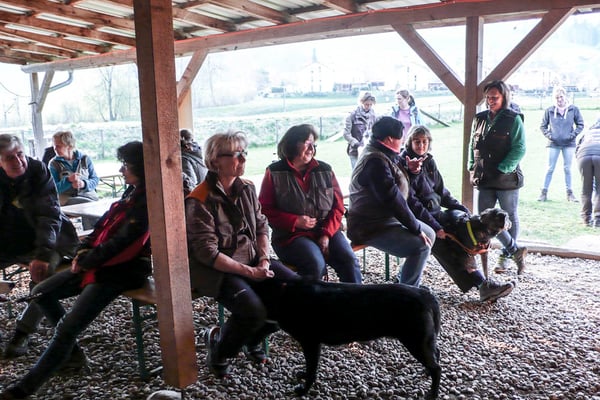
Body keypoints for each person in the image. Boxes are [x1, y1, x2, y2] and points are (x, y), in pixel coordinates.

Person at [0, 141, 152, 399]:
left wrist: (86, 260)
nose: (121, 169)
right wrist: (84, 251)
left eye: (126, 165)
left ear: (141, 167)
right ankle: (71, 355)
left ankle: (25, 388)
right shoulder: (132, 192)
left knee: (67, 327)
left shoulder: (147, 201)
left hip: (120, 271)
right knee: (41, 292)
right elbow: (103, 226)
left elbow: (125, 242)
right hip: (97, 263)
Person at [185, 130, 298, 379]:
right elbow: (207, 253)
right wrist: (251, 272)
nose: (244, 158)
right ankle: (220, 349)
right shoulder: (199, 200)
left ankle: (251, 339)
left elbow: (261, 227)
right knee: (252, 310)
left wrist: (264, 260)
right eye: (237, 154)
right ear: (215, 161)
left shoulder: (247, 187)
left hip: (252, 259)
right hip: (216, 269)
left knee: (296, 293)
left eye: (244, 152)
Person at [401, 125, 514, 301]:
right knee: (442, 241)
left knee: (465, 227)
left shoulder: (429, 161)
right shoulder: (405, 164)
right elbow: (412, 203)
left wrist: (463, 210)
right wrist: (436, 226)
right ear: (409, 142)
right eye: (417, 142)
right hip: (414, 217)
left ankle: (483, 282)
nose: (421, 145)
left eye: (424, 141)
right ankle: (481, 284)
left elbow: (442, 192)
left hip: (435, 212)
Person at [0, 134, 79, 359]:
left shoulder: (38, 171)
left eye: (20, 154)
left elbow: (49, 215)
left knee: (44, 277)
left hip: (45, 240)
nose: (18, 161)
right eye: (10, 158)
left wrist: (43, 254)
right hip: (7, 241)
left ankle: (23, 331)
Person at [259, 124, 362, 283]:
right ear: (293, 144)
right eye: (307, 144)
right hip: (290, 236)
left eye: (314, 145)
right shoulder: (274, 172)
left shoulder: (325, 170)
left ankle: (355, 298)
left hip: (326, 230)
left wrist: (327, 234)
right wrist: (295, 221)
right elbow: (264, 209)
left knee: (349, 261)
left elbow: (338, 206)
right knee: (315, 263)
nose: (311, 149)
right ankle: (311, 299)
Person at [346, 116, 438, 287]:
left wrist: (411, 172)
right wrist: (416, 228)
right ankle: (407, 293)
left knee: (430, 234)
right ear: (389, 139)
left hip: (385, 219)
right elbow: (393, 200)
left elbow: (399, 185)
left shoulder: (384, 152)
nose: (403, 141)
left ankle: (404, 282)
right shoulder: (375, 161)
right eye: (401, 137)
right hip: (369, 226)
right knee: (421, 246)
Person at [468, 79, 527, 275]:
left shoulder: (514, 119)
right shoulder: (479, 118)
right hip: (484, 176)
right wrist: (471, 165)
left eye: (495, 97)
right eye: (488, 97)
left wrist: (503, 168)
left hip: (506, 179)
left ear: (504, 97)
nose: (490, 101)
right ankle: (515, 250)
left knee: (508, 216)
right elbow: (472, 144)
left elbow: (520, 148)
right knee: (484, 217)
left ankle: (505, 256)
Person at [538, 86, 585, 202]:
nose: (559, 99)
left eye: (561, 97)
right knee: (550, 168)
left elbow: (580, 124)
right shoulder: (549, 110)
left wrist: (572, 135)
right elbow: (543, 126)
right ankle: (543, 193)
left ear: (565, 96)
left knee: (567, 169)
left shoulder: (573, 109)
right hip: (553, 144)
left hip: (569, 144)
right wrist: (550, 136)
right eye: (557, 97)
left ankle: (570, 194)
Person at [48, 130, 100, 206]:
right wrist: (68, 181)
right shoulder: (54, 164)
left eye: (59, 146)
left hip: (88, 196)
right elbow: (53, 188)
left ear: (69, 146)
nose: (55, 149)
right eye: (54, 146)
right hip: (67, 200)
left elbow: (95, 179)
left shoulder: (85, 159)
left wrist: (84, 184)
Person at [575, 118, 600, 227]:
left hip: (583, 155)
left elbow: (577, 148)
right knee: (599, 189)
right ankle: (598, 219)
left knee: (586, 189)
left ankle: (586, 219)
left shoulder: (588, 132)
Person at [343, 91, 377, 169]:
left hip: (369, 151)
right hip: (355, 150)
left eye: (370, 104)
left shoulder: (374, 115)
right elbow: (346, 133)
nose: (368, 106)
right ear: (361, 102)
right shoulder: (352, 115)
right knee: (356, 173)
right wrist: (354, 142)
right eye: (366, 104)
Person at [180, 129, 208, 196]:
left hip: (197, 196)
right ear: (192, 139)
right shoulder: (202, 152)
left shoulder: (184, 158)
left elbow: (190, 184)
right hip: (207, 193)